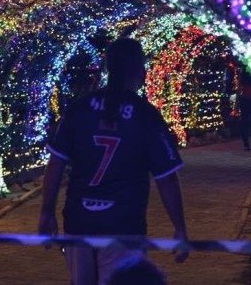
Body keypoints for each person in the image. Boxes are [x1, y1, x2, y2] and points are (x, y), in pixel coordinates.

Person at [38, 38, 189, 285]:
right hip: (123, 222)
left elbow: (56, 163)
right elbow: (166, 178)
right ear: (140, 70)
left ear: (107, 67)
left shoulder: (79, 109)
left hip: (79, 220)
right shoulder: (145, 115)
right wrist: (180, 227)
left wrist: (47, 211)